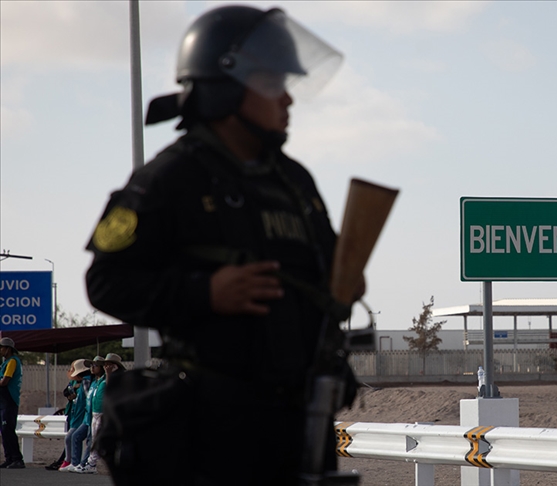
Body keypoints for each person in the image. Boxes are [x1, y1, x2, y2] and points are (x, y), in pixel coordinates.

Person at [85, 5, 361, 484]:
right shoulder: (169, 178)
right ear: (225, 87)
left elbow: (326, 276)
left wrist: (345, 284)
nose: (287, 99)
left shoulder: (293, 180)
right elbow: (106, 282)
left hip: (302, 424)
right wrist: (204, 292)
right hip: (213, 432)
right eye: (273, 83)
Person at [53, 359, 91, 471]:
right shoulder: (76, 383)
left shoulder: (86, 381)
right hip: (77, 414)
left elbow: (88, 399)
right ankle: (73, 461)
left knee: (74, 437)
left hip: (83, 415)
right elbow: (66, 391)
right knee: (73, 437)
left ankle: (75, 462)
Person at [0, 337, 24, 469]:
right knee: (4, 430)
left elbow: (5, 381)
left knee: (8, 429)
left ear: (8, 349)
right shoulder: (5, 363)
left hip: (9, 400)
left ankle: (17, 458)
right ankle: (9, 458)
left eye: (2, 348)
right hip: (3, 401)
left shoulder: (13, 362)